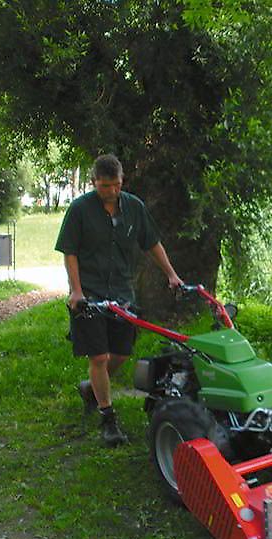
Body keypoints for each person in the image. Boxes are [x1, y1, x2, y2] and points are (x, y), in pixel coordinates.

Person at [55, 154, 183, 446]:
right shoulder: (80, 210)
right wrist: (76, 291)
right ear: (93, 182)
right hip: (90, 294)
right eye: (104, 186)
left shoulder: (134, 207)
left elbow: (152, 243)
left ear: (122, 181)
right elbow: (70, 252)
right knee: (98, 356)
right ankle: (108, 419)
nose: (111, 191)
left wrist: (171, 275)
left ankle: (92, 388)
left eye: (116, 185)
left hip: (122, 293)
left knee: (121, 353)